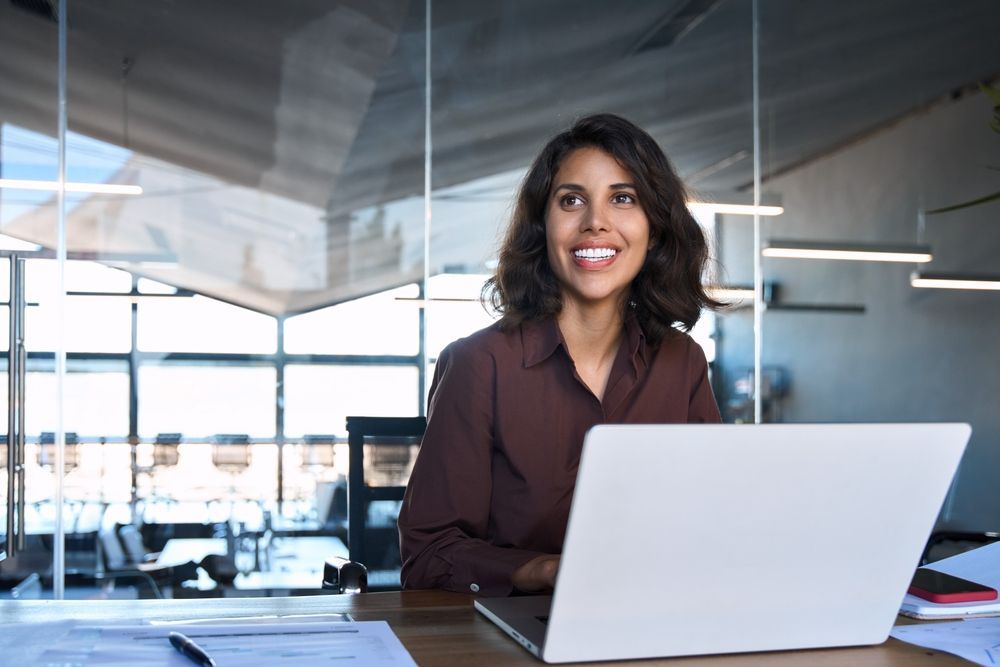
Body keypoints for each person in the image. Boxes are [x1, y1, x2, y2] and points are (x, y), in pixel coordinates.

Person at [397, 113, 723, 596]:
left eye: (623, 198)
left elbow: (714, 524)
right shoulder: (478, 365)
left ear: (653, 229)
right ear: (542, 227)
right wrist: (544, 571)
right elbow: (427, 556)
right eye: (571, 200)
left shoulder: (683, 363)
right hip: (507, 634)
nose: (596, 222)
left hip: (652, 619)